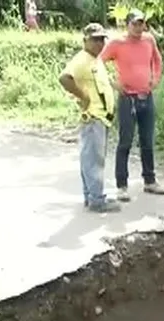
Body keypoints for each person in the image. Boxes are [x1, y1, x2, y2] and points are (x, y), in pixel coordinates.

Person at [99, 9, 164, 202]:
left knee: (147, 140)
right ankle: (122, 185)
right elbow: (99, 62)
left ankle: (150, 180)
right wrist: (113, 82)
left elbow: (157, 59)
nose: (138, 28)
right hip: (127, 98)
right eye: (134, 24)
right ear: (127, 24)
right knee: (125, 141)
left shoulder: (149, 40)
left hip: (146, 96)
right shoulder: (117, 43)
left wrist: (156, 77)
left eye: (141, 24)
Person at [58, 23, 120, 213]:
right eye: (95, 39)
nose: (99, 43)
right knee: (94, 159)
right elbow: (64, 78)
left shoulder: (95, 59)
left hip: (101, 117)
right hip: (93, 117)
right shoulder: (82, 59)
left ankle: (91, 196)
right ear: (85, 40)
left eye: (102, 39)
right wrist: (83, 96)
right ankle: (96, 200)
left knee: (91, 158)